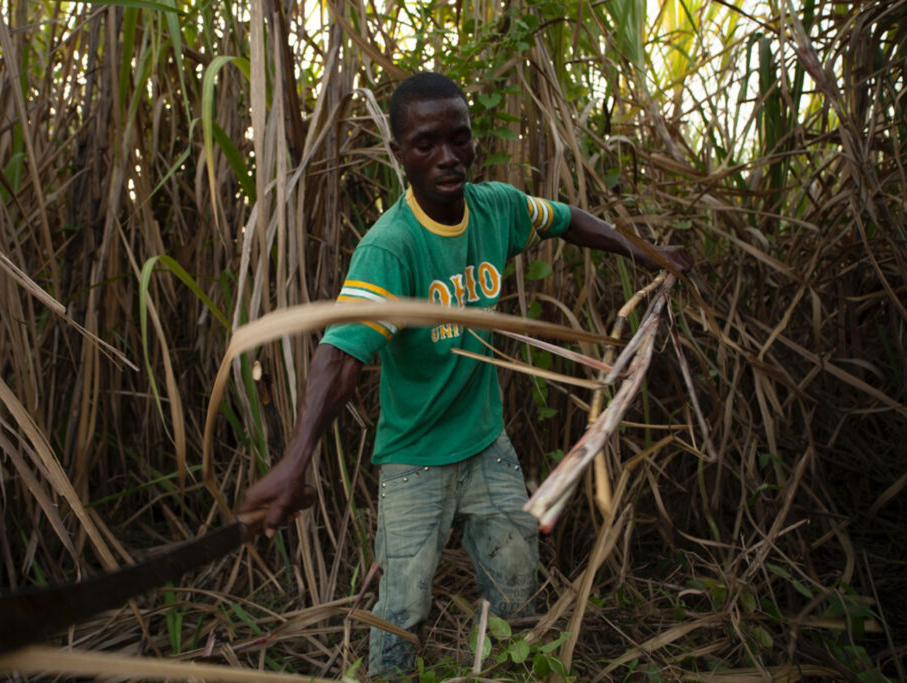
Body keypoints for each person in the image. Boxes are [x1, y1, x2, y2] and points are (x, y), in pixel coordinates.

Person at [239, 72, 692, 677]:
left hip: (487, 447)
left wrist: (649, 255)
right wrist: (296, 461)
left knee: (516, 593)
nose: (448, 158)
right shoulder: (391, 247)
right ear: (399, 154)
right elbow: (342, 356)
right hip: (413, 462)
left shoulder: (496, 209)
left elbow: (569, 220)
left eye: (460, 139)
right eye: (426, 144)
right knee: (399, 610)